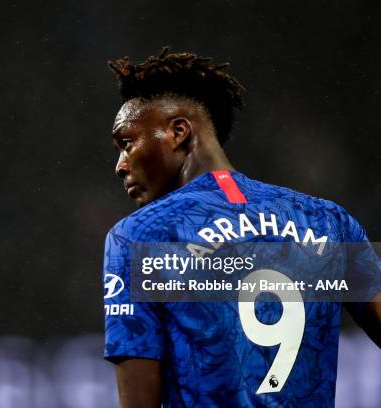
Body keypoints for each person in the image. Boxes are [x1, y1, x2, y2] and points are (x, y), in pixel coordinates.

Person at [102, 47, 380, 408]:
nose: (120, 165)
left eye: (127, 143)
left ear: (178, 132)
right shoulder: (329, 221)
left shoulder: (139, 238)